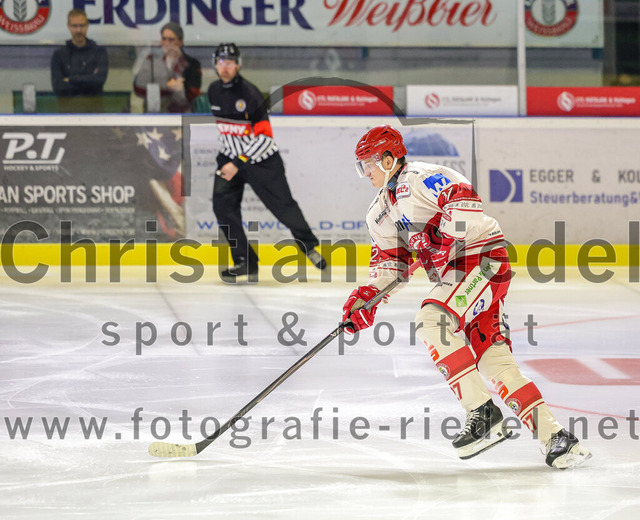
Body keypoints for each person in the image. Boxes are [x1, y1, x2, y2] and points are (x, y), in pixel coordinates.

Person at [341, 125, 592, 469]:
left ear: (388, 159)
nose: (365, 171)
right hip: (458, 277)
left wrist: (444, 238)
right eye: (362, 165)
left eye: (369, 162)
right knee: (494, 362)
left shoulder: (422, 177)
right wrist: (367, 299)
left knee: (432, 319)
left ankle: (482, 411)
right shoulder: (379, 213)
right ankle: (559, 439)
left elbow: (465, 200)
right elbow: (390, 265)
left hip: (481, 259)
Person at [208, 43, 326, 282]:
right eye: (221, 62)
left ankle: (309, 247)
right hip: (230, 158)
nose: (225, 67)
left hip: (262, 160)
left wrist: (238, 162)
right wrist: (230, 160)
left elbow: (264, 137)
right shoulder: (213, 91)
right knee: (222, 207)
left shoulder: (250, 94)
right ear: (215, 64)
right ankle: (245, 261)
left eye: (230, 62)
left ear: (238, 65)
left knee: (283, 206)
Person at [133, 22, 202, 113]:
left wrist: (179, 89)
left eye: (171, 40)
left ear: (180, 42)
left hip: (182, 115)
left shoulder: (192, 64)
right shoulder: (151, 60)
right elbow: (139, 87)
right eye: (164, 39)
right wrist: (166, 87)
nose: (166, 43)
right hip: (155, 114)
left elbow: (193, 96)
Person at [50, 9, 108, 98]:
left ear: (87, 25)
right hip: (67, 105)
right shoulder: (59, 55)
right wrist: (89, 79)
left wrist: (70, 79)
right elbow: (58, 87)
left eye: (82, 25)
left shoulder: (99, 52)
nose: (78, 30)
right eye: (74, 26)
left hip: (94, 105)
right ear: (68, 26)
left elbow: (99, 81)